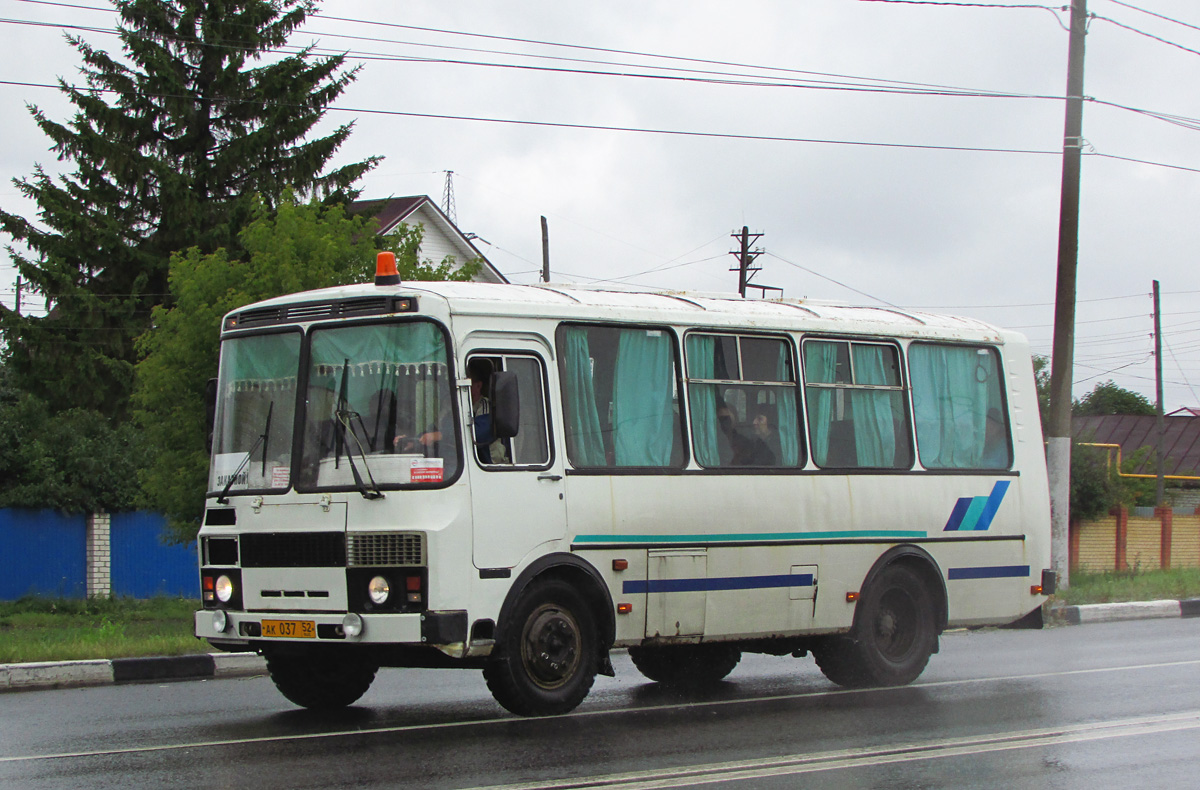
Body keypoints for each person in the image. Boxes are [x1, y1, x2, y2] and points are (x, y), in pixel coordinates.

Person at [468, 358, 510, 464]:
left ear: (478, 385)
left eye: (467, 384)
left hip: (490, 466)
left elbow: (478, 435)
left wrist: (442, 435)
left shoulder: (486, 406)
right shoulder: (452, 408)